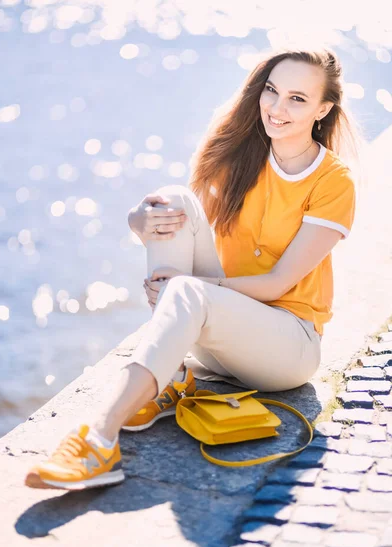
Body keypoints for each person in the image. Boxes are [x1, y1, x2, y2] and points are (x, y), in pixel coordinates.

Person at [25, 46, 360, 491]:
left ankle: (99, 440)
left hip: (287, 348)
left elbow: (279, 282)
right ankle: (176, 374)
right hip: (219, 340)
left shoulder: (334, 181)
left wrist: (189, 288)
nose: (277, 108)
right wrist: (137, 220)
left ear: (323, 109)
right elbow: (182, 227)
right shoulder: (242, 155)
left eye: (297, 99)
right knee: (172, 200)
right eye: (272, 91)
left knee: (186, 292)